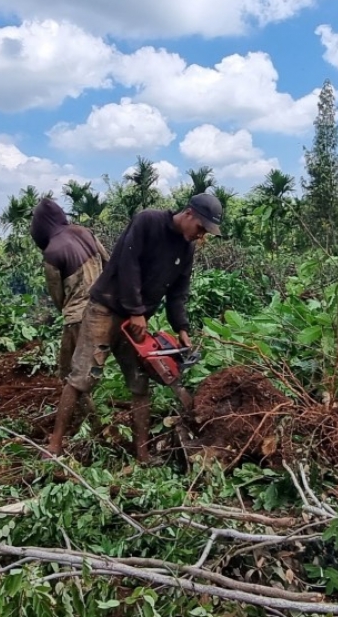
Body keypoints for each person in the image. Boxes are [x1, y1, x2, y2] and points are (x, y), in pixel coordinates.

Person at [47, 193, 222, 460]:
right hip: (105, 310)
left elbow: (178, 292)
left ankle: (143, 454)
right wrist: (137, 310)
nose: (200, 235)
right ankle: (53, 447)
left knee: (140, 384)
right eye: (200, 228)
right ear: (188, 213)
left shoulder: (185, 249)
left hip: (135, 324)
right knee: (82, 377)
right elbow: (128, 266)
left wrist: (182, 329)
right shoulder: (147, 222)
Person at [29, 197, 110, 381]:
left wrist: (66, 311)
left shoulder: (52, 252)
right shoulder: (85, 232)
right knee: (95, 366)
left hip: (77, 316)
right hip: (104, 308)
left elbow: (57, 295)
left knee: (69, 373)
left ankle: (86, 411)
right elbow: (108, 263)